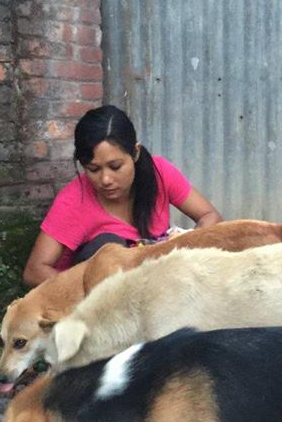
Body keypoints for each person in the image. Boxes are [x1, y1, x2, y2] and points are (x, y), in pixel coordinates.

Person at [22, 105, 223, 287]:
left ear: (135, 153)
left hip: (151, 289)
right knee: (107, 247)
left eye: (115, 166)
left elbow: (210, 216)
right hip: (96, 298)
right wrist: (84, 290)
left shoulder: (160, 173)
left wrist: (179, 250)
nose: (106, 179)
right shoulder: (74, 200)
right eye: (93, 169)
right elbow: (34, 271)